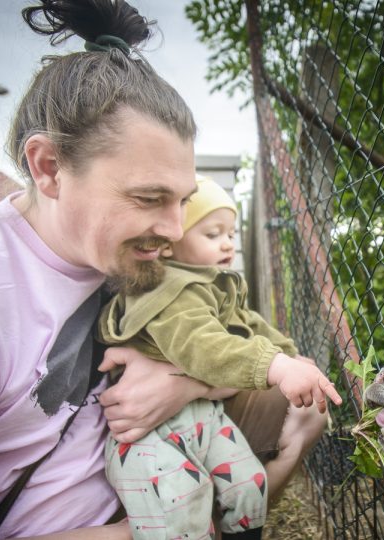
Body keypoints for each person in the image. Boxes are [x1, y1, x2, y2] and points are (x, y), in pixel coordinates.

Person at [0, 1, 245, 538]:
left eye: (183, 200)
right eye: (147, 197)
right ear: (48, 167)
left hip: (154, 482)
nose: (172, 228)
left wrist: (184, 381)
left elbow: (247, 347)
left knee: (295, 410)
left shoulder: (128, 254)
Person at [97, 177, 342, 539]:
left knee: (247, 483)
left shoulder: (211, 284)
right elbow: (206, 346)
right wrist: (275, 367)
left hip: (203, 419)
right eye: (213, 234)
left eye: (231, 233)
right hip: (153, 435)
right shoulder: (170, 292)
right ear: (168, 245)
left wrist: (291, 357)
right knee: (183, 504)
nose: (228, 243)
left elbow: (249, 326)